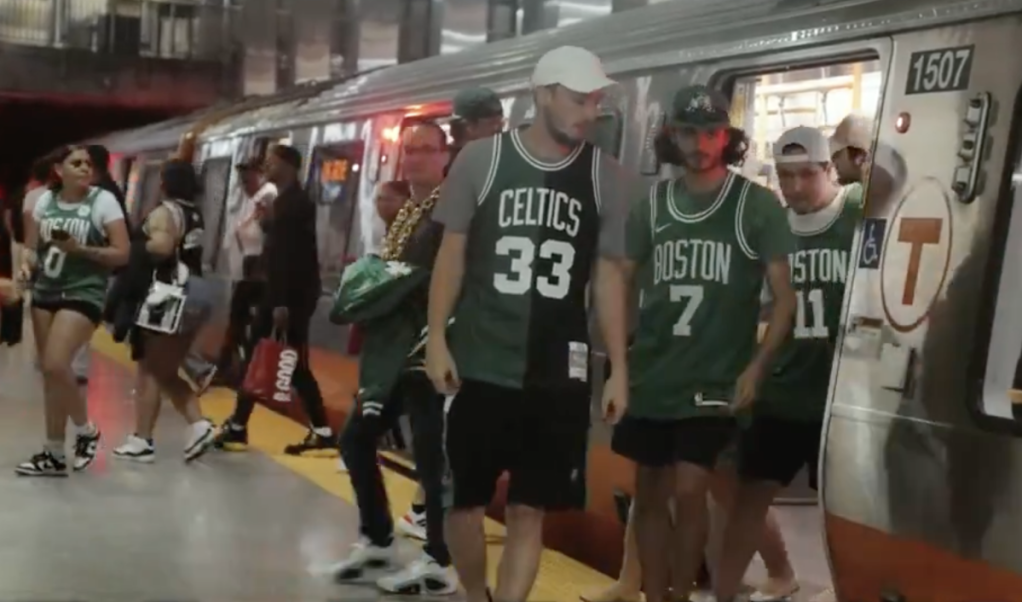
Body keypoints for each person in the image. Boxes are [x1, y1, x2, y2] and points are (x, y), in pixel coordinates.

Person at [425, 45, 631, 602]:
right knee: (464, 503)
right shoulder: (481, 161)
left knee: (529, 507)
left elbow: (609, 277)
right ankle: (476, 592)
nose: (589, 111)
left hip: (557, 370)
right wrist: (438, 338)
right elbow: (453, 254)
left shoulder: (606, 177)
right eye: (577, 98)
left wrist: (617, 367)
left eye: (594, 100)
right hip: (481, 360)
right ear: (542, 95)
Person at [609, 84, 797, 602]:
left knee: (691, 488)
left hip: (714, 378)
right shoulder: (653, 207)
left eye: (711, 132)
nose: (700, 143)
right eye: (689, 132)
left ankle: (681, 591)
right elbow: (621, 280)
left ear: (727, 137)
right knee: (648, 492)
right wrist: (620, 359)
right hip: (653, 373)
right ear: (672, 136)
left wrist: (756, 369)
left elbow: (785, 300)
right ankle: (656, 594)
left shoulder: (756, 206)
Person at [712, 126, 862, 602]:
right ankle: (731, 589)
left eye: (805, 175)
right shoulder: (768, 229)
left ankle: (847, 588)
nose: (794, 187)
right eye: (784, 176)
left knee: (843, 510)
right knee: (748, 497)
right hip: (782, 387)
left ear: (829, 170)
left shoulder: (856, 210)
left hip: (842, 393)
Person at [332, 124, 458, 595]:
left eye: (427, 150)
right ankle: (380, 537)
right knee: (356, 440)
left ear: (445, 156)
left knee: (430, 455)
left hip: (432, 347)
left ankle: (439, 560)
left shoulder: (449, 211)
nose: (417, 158)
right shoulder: (410, 211)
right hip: (397, 351)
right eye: (410, 150)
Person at [395, 86, 505, 541]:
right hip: (438, 335)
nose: (461, 138)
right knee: (432, 436)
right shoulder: (466, 179)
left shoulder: (476, 180)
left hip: (464, 334)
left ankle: (438, 536)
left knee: (444, 439)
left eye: (464, 128)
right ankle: (433, 525)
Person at [16, 145, 130, 476]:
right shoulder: (45, 202)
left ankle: (85, 430)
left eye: (88, 164)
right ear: (58, 170)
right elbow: (33, 249)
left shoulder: (103, 202)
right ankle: (52, 452)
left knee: (56, 362)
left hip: (84, 292)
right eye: (76, 163)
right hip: (45, 291)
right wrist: (26, 266)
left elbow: (122, 254)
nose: (84, 168)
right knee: (51, 376)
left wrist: (80, 249)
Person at [214, 145, 334, 455]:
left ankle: (318, 430)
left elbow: (289, 257)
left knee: (287, 360)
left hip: (288, 297)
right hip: (282, 293)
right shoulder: (285, 202)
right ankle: (240, 426)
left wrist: (281, 303)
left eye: (272, 162)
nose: (266, 167)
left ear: (289, 166)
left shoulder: (296, 204)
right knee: (274, 357)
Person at [110, 159, 219, 462]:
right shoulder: (194, 213)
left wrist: (132, 249)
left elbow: (161, 246)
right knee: (164, 369)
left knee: (149, 368)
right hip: (197, 290)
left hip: (169, 294)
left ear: (164, 183)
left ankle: (142, 440)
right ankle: (197, 426)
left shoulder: (164, 212)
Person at [216, 158, 278, 386]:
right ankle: (233, 369)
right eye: (242, 182)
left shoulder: (268, 195)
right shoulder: (257, 199)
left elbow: (268, 230)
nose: (245, 186)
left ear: (261, 175)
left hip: (258, 276)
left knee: (244, 324)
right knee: (240, 324)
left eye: (248, 180)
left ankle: (238, 372)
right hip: (249, 274)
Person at [446, 86, 505, 174]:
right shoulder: (451, 167)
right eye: (492, 123)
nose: (498, 128)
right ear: (469, 127)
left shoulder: (502, 156)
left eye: (500, 122)